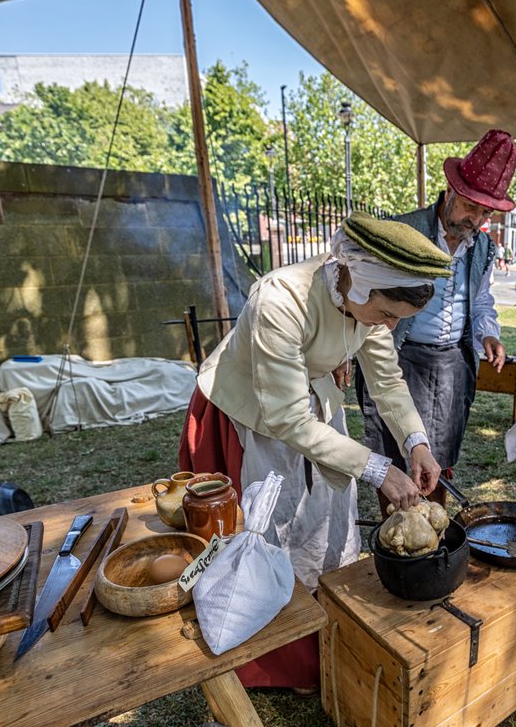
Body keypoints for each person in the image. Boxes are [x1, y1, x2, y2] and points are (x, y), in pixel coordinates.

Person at [178, 211, 450, 689]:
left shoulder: (370, 308)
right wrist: (379, 470)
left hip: (311, 403)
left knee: (326, 516)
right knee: (271, 528)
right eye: (387, 314)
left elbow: (387, 381)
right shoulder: (280, 299)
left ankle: (326, 635)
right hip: (251, 415)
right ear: (362, 286)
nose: (388, 325)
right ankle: (271, 658)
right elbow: (285, 417)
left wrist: (416, 443)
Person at [356, 128, 516, 510]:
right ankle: (393, 529)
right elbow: (364, 292)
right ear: (449, 192)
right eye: (469, 207)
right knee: (395, 451)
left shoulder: (483, 247)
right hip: (398, 356)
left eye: (484, 212)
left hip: (450, 365)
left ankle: (436, 533)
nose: (475, 219)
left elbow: (480, 301)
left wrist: (489, 334)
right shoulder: (401, 231)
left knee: (439, 457)